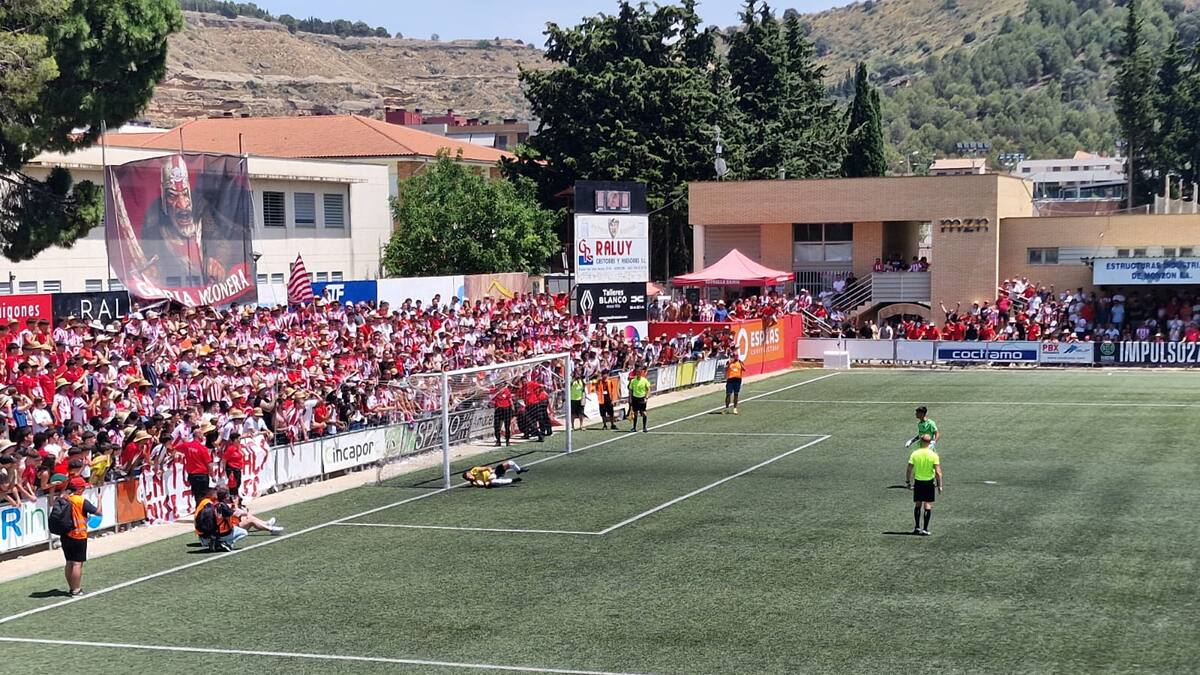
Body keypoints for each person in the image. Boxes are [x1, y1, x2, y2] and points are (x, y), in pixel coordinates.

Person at [61, 477, 100, 596]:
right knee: (77, 563)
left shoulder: (64, 498)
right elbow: (98, 512)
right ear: (79, 489)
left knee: (69, 562)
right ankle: (76, 589)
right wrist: (99, 500)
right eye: (83, 488)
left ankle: (71, 588)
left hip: (65, 534)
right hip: (78, 535)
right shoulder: (80, 500)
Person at [904, 435, 943, 535]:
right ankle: (925, 529)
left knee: (918, 504)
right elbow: (938, 472)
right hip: (929, 482)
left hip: (918, 481)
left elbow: (909, 469)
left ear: (921, 441)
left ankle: (917, 527)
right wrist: (940, 485)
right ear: (930, 442)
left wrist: (908, 482)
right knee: (928, 505)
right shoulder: (933, 455)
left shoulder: (915, 454)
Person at [462, 460, 528, 488]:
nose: (470, 477)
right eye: (468, 478)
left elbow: (487, 468)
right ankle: (512, 480)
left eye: (469, 476)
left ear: (469, 473)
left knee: (510, 462)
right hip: (491, 479)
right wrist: (487, 483)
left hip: (495, 472)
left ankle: (518, 470)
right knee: (492, 481)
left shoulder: (474, 470)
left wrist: (491, 472)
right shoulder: (474, 483)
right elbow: (485, 484)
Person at [628, 367, 650, 433]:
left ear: (641, 373)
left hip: (642, 398)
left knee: (643, 413)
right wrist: (630, 398)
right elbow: (630, 390)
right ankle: (634, 427)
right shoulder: (633, 381)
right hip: (635, 398)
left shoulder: (644, 380)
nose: (638, 373)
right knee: (635, 413)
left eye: (639, 372)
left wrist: (646, 397)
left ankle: (644, 427)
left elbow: (648, 389)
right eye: (637, 372)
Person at [491, 382, 514, 447]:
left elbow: (510, 400)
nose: (500, 386)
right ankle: (498, 441)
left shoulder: (506, 390)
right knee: (496, 426)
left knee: (507, 426)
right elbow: (486, 390)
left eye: (502, 385)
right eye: (499, 384)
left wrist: (512, 408)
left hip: (506, 409)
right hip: (498, 409)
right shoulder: (495, 390)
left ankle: (507, 441)